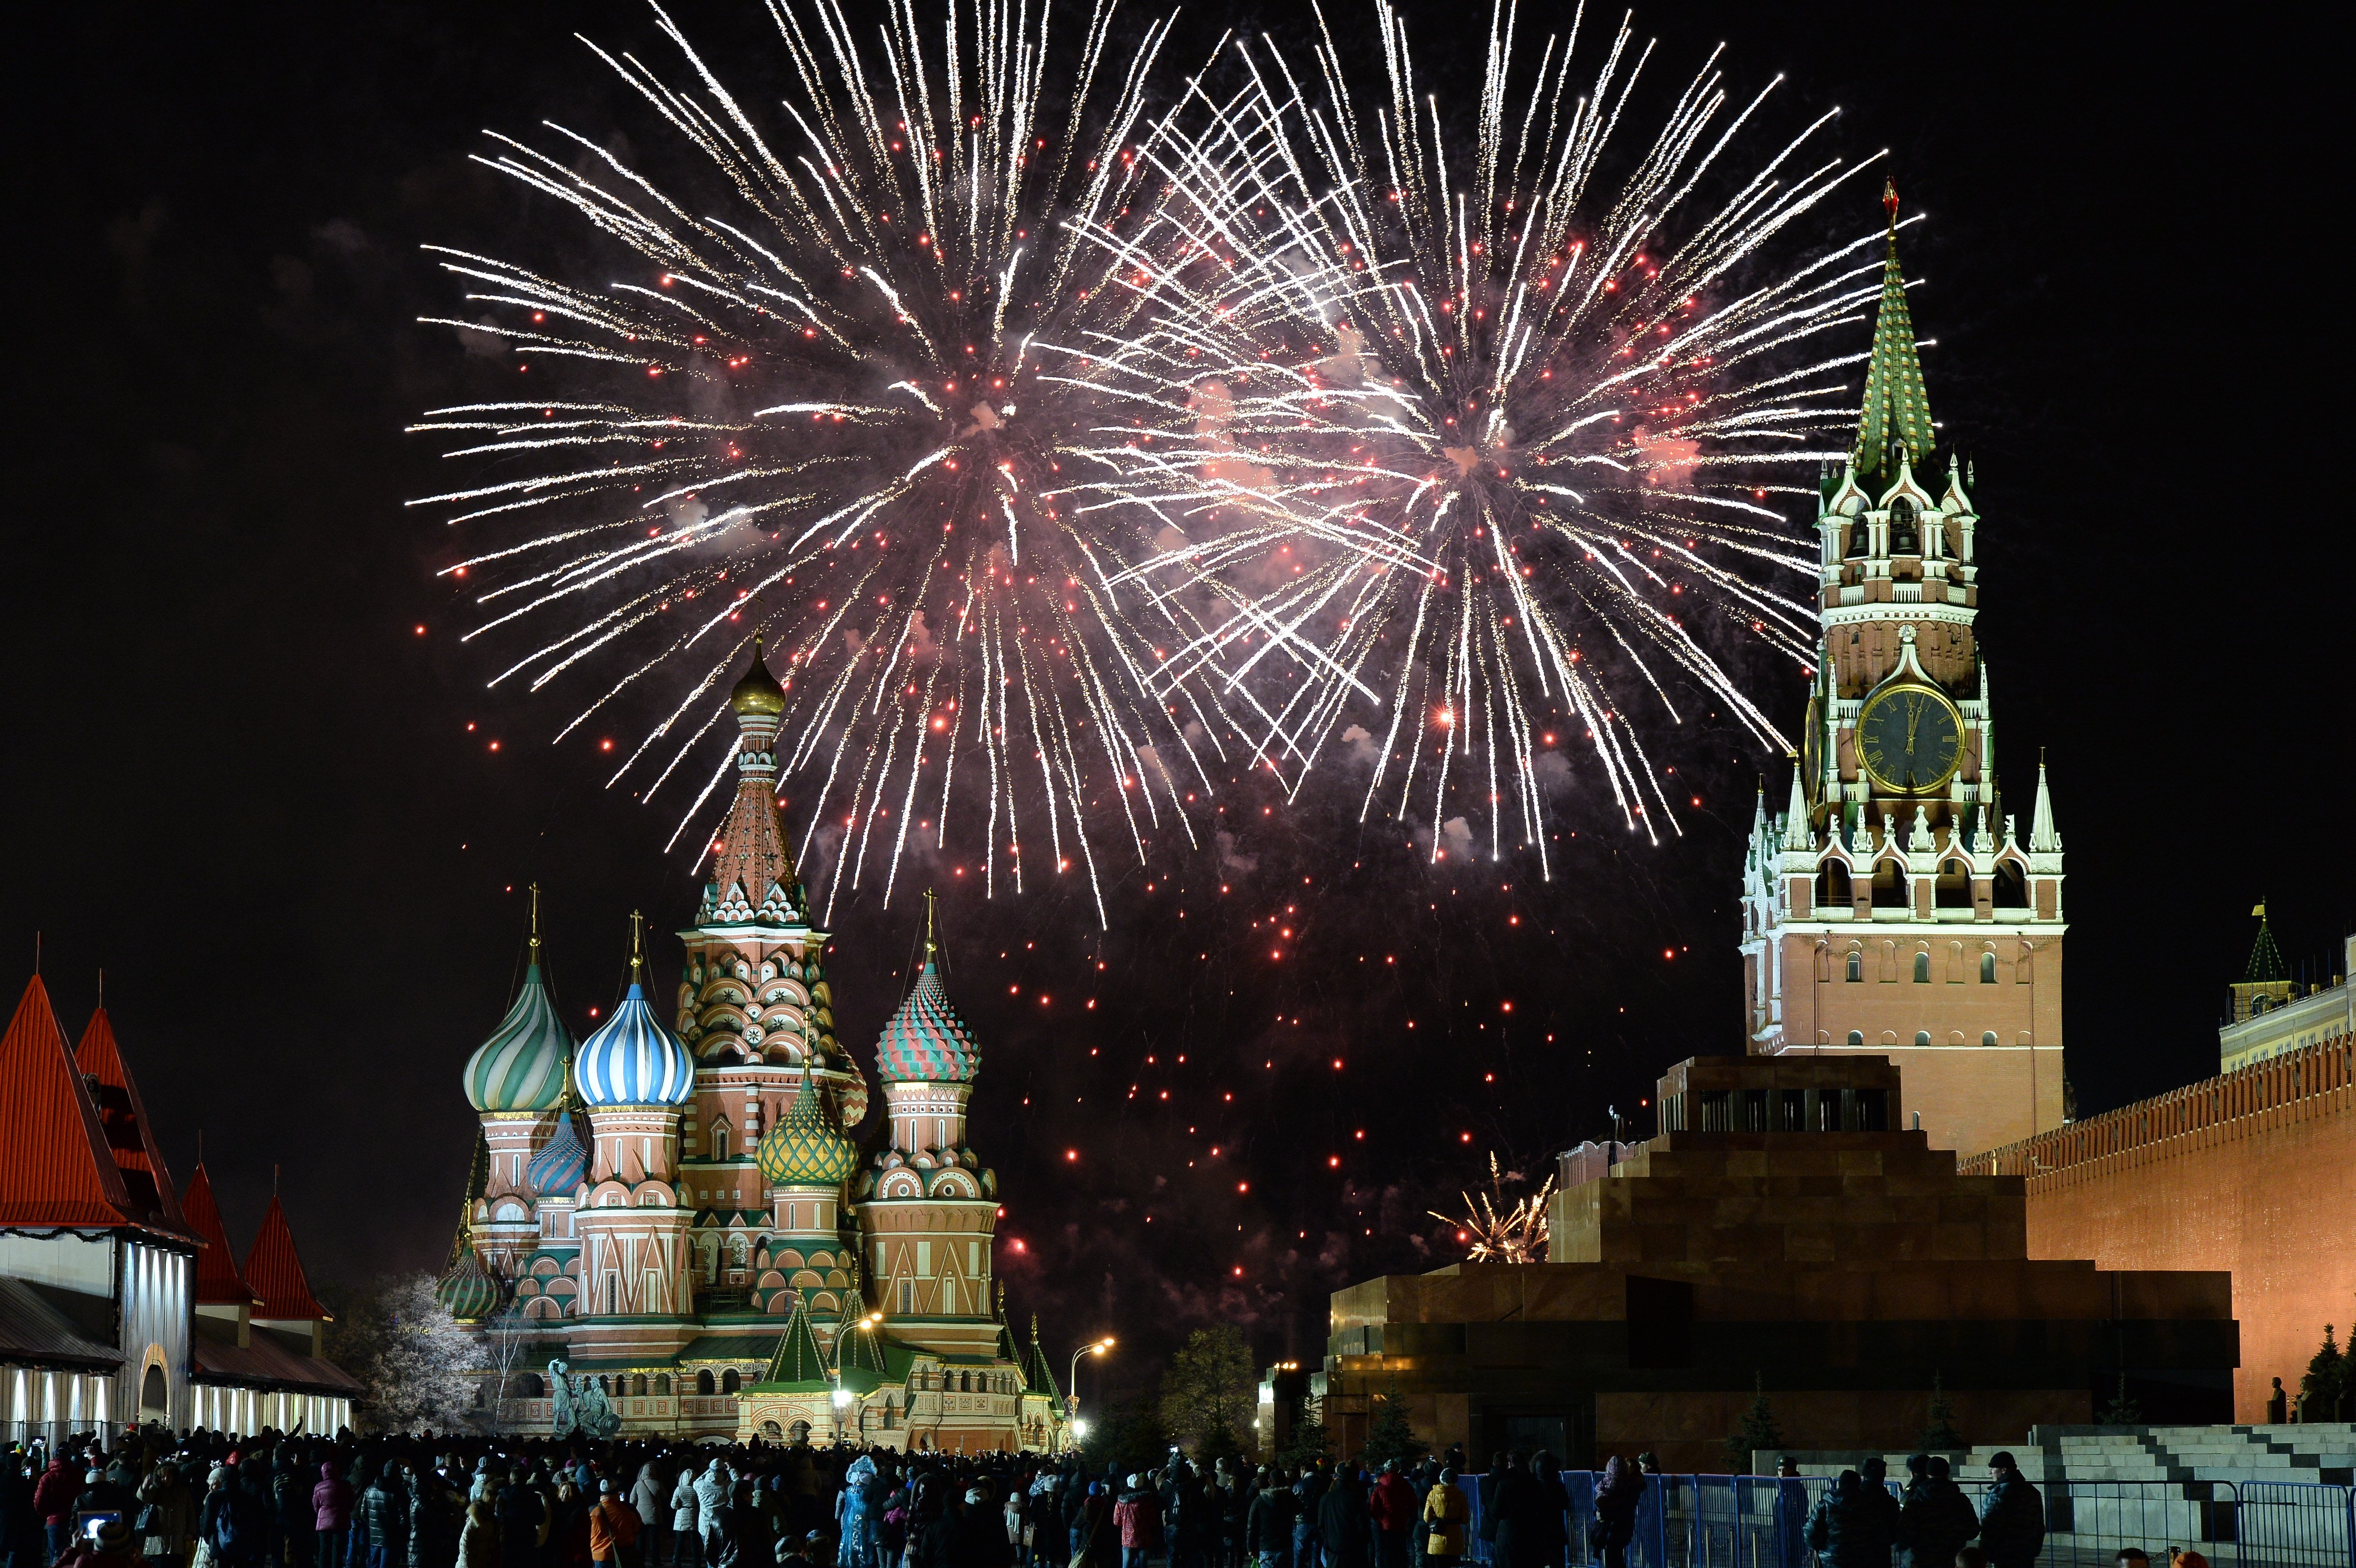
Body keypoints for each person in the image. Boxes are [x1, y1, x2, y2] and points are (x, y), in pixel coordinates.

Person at [1894, 1457, 1974, 1568]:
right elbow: (1973, 1530)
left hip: (1921, 1561)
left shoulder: (1915, 1500)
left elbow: (1905, 1534)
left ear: (1927, 1474)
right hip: (1952, 1560)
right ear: (1948, 1473)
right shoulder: (1960, 1499)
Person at [1974, 1457, 2042, 1568]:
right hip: (2027, 1552)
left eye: (1993, 1469)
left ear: (2004, 1470)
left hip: (2004, 1553)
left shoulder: (1999, 1493)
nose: (1990, 1473)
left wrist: (1984, 1554)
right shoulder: (2032, 1491)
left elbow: (1990, 1526)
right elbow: (2039, 1525)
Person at [1590, 1458, 1642, 1568]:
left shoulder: (1624, 1486)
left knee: (1613, 1559)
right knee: (1615, 1558)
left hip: (1617, 1527)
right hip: (1621, 1527)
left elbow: (1621, 1509)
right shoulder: (1628, 1484)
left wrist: (1602, 1514)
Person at [1312, 1475, 1365, 1568]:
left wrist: (1326, 1540)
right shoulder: (1354, 1498)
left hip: (1332, 1545)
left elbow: (1321, 1524)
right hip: (1350, 1545)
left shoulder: (1326, 1498)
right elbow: (1361, 1524)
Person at [1367, 1470, 1414, 1568]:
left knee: (1386, 1552)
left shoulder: (1379, 1488)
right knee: (1400, 1551)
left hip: (1385, 1526)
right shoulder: (1406, 1487)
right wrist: (1407, 1516)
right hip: (1401, 1524)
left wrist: (1378, 1519)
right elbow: (1413, 1505)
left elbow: (1373, 1507)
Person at [1417, 1473, 1465, 1568]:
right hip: (1454, 1535)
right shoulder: (1460, 1495)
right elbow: (1466, 1519)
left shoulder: (1433, 1494)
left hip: (1438, 1535)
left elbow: (1427, 1517)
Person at [591, 1482, 642, 1568]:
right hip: (624, 1554)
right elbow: (637, 1529)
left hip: (601, 1556)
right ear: (617, 1491)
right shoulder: (629, 1509)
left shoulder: (594, 1511)